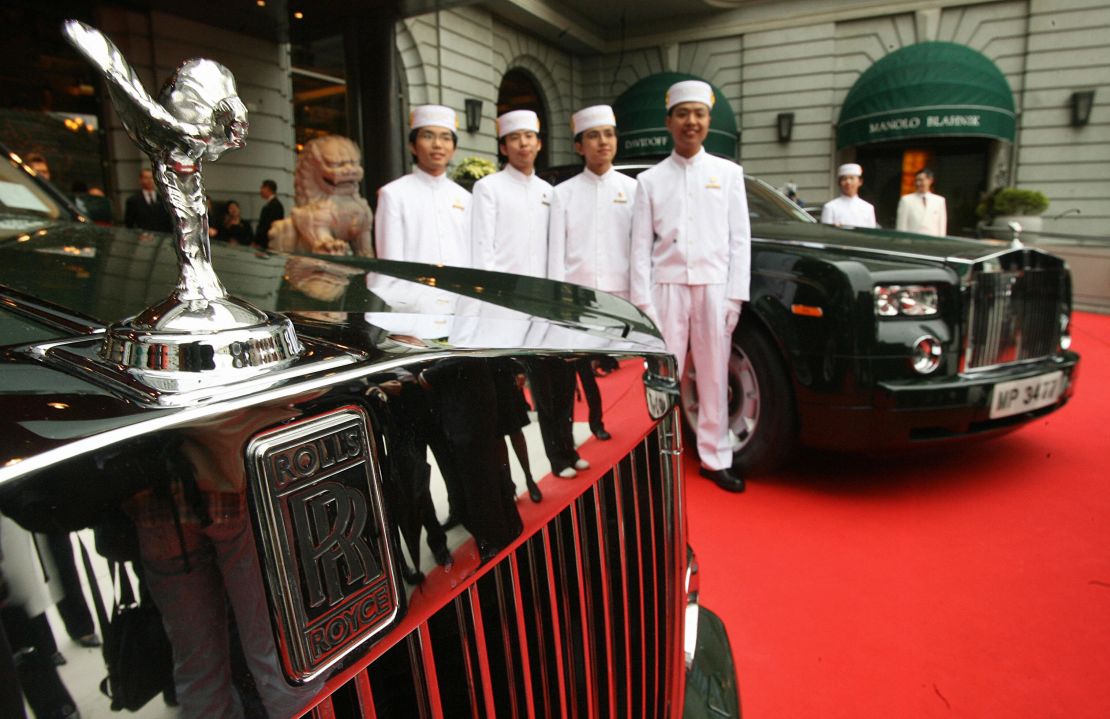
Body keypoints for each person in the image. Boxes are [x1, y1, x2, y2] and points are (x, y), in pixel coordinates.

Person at [629, 79, 750, 493]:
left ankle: (715, 457)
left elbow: (740, 240)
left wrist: (735, 294)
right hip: (666, 288)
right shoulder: (649, 180)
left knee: (715, 374)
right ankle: (657, 455)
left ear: (708, 120)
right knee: (663, 376)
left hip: (714, 286)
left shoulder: (729, 174)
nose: (691, 122)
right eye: (682, 114)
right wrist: (642, 302)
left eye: (698, 113)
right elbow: (640, 247)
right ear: (669, 121)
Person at [472, 109, 589, 480]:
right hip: (509, 304)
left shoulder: (548, 192)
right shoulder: (488, 188)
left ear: (539, 144)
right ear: (504, 146)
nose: (524, 144)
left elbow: (558, 249)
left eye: (530, 137)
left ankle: (569, 449)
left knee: (563, 380)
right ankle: (555, 458)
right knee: (537, 384)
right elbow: (483, 253)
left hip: (548, 301)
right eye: (515, 138)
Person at [548, 104, 638, 441]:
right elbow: (556, 254)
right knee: (581, 373)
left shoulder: (633, 190)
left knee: (624, 373)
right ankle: (588, 427)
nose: (603, 142)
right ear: (579, 145)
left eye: (609, 134)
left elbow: (640, 250)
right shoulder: (563, 194)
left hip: (624, 299)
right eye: (593, 135)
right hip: (579, 299)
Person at [820, 163, 876, 228]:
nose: (848, 182)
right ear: (840, 183)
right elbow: (826, 233)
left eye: (852, 178)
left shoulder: (868, 208)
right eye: (844, 179)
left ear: (860, 182)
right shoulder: (830, 207)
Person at [896, 167, 947, 236]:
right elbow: (901, 227)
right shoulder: (906, 200)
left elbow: (942, 227)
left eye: (921, 180)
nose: (918, 183)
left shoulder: (939, 201)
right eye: (916, 180)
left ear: (930, 180)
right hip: (912, 242)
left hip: (932, 243)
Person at [254, 179, 284, 249]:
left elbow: (268, 225)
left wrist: (258, 240)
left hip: (267, 243)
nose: (260, 191)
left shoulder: (274, 205)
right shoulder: (272, 204)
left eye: (262, 188)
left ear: (267, 188)